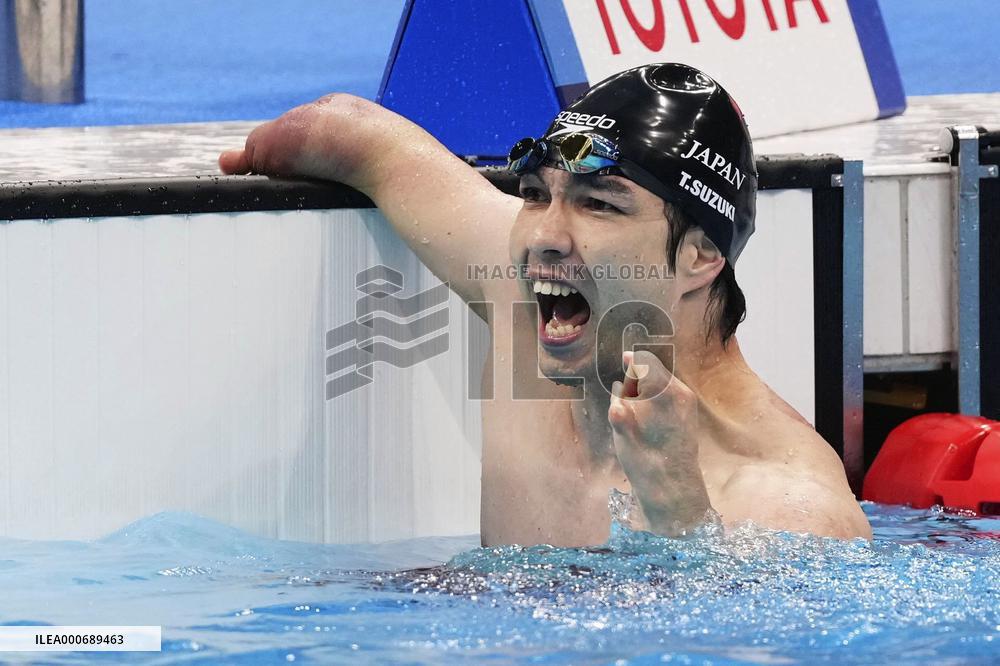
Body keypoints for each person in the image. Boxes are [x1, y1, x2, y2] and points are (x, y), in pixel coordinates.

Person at [219, 62, 872, 545]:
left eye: (598, 204)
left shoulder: (793, 507)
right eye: (535, 194)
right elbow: (363, 138)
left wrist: (679, 517)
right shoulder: (526, 298)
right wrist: (256, 151)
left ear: (701, 255)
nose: (542, 239)